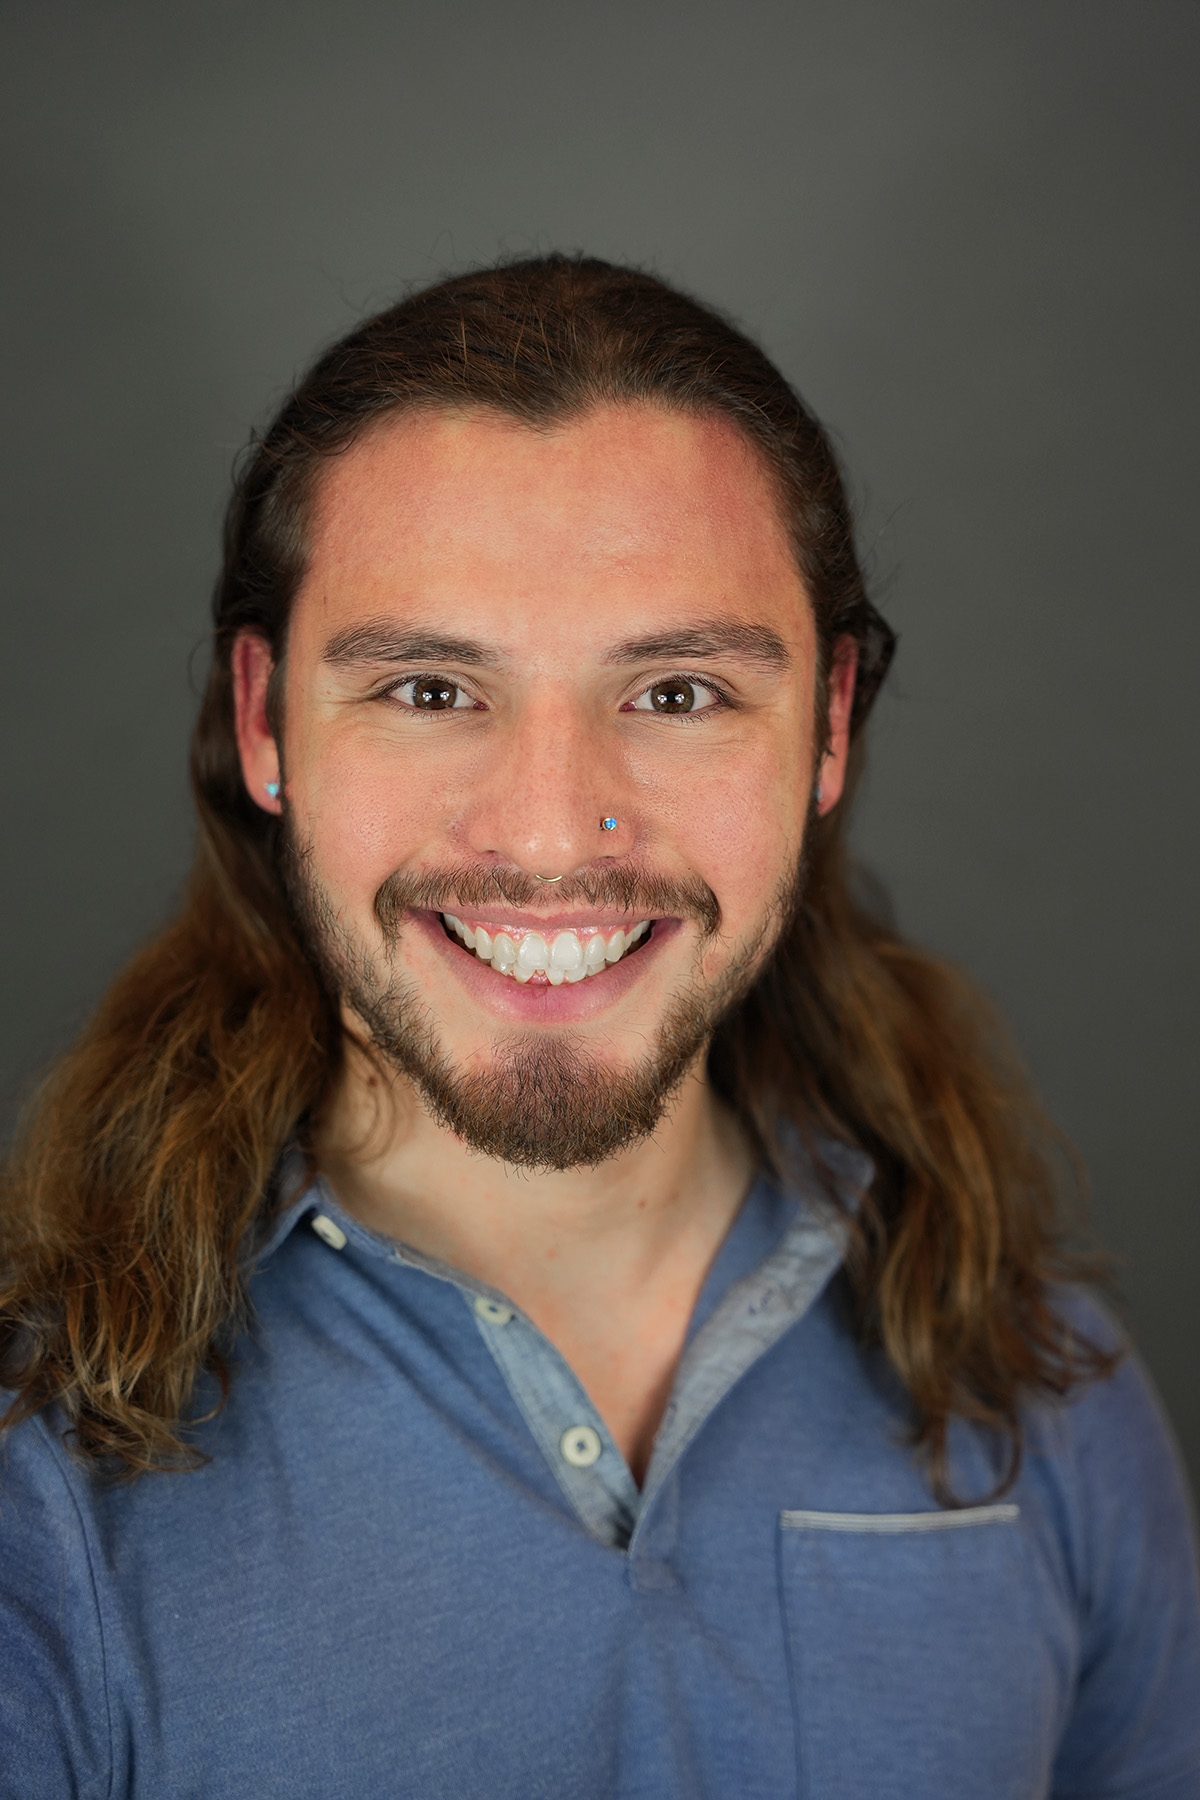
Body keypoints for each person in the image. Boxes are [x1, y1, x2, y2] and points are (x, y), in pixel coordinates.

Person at [1, 255, 1196, 1800]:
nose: (556, 829)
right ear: (265, 720)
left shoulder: (1045, 1389)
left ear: (829, 726)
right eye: (430, 690)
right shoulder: (38, 1469)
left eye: (680, 692)